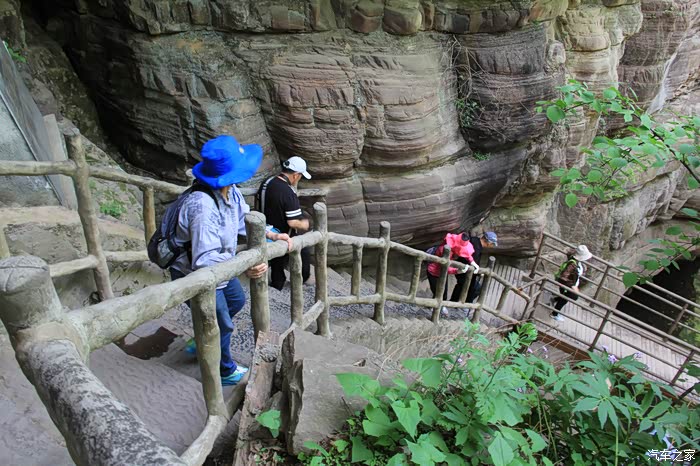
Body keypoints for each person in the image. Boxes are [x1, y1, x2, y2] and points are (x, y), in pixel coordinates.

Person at [169, 135, 292, 386]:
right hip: (196, 273)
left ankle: (204, 337)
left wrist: (270, 234)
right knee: (222, 323)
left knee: (236, 300)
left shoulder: (230, 192)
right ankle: (224, 370)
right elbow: (204, 260)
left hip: (221, 267)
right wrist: (245, 264)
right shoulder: (202, 207)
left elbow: (243, 221)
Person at [256, 156, 312, 291]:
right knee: (304, 249)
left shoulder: (267, 182)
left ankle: (277, 284)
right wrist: (305, 225)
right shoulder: (287, 192)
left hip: (265, 230)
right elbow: (293, 222)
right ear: (296, 175)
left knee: (277, 262)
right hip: (281, 235)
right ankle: (302, 279)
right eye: (300, 176)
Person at [426, 232, 480, 318]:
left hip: (443, 273)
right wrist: (457, 271)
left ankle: (435, 307)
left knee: (442, 292)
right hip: (434, 271)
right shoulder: (444, 250)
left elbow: (466, 253)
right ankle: (435, 310)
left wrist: (473, 262)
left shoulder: (454, 244)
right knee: (439, 292)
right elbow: (445, 267)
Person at [550, 245, 592, 322]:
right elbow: (565, 277)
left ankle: (555, 299)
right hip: (568, 286)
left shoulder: (574, 260)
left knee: (566, 297)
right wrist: (573, 287)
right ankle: (554, 314)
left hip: (570, 285)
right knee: (568, 298)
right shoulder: (572, 264)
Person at [462, 231, 498, 303]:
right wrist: (479, 272)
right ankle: (462, 304)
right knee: (468, 286)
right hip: (464, 269)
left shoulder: (475, 242)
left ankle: (464, 304)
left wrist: (479, 272)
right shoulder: (476, 246)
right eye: (492, 244)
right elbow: (472, 261)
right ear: (489, 242)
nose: (492, 246)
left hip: (467, 269)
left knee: (474, 287)